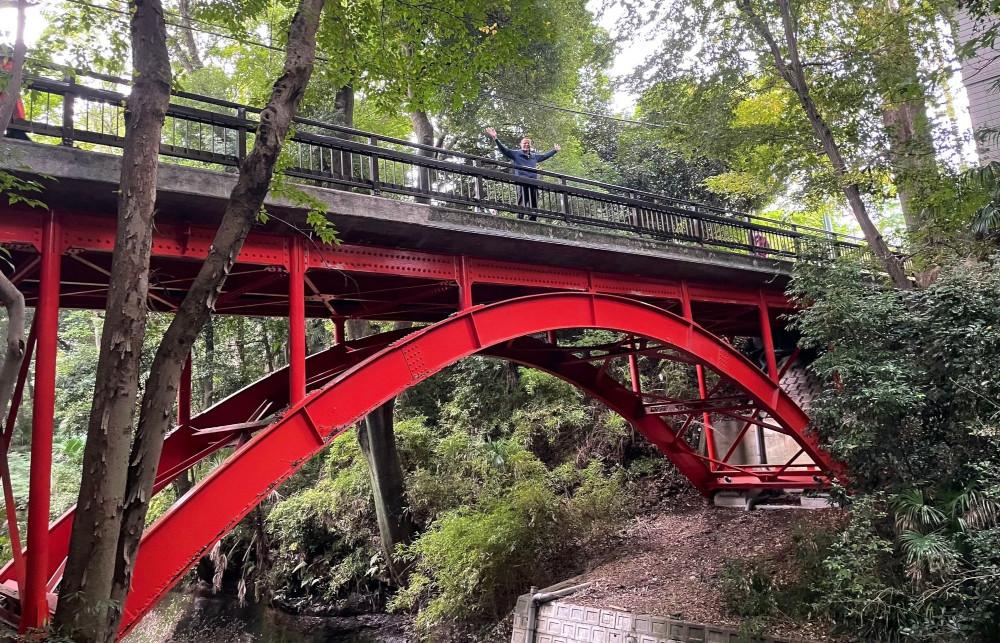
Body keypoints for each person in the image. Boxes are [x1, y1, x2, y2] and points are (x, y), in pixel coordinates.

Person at [486, 127, 560, 221]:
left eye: (528, 143)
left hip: (533, 182)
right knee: (522, 202)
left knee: (534, 203)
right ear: (521, 145)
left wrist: (555, 151)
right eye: (525, 143)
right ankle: (519, 220)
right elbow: (505, 150)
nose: (526, 145)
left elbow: (544, 156)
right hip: (521, 181)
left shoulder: (534, 156)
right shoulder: (516, 154)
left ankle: (533, 221)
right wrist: (495, 138)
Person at [1, 48, 29, 141]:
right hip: (11, 107)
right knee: (16, 131)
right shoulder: (11, 66)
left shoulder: (8, 66)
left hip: (7, 104)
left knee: (15, 131)